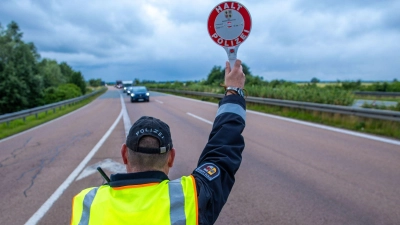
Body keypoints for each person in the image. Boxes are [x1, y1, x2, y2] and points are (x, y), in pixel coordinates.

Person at [70, 59, 246, 225]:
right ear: (171, 157)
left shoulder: (86, 203)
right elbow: (222, 152)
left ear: (124, 154)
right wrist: (234, 91)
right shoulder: (188, 198)